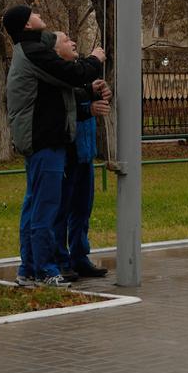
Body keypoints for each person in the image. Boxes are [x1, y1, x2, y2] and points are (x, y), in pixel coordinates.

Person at [3, 5, 105, 287]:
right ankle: (45, 270)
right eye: (33, 13)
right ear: (26, 25)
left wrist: (89, 92)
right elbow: (71, 74)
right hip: (44, 141)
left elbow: (60, 92)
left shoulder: (32, 51)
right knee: (45, 207)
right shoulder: (33, 52)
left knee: (36, 205)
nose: (38, 14)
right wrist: (95, 60)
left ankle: (30, 268)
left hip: (45, 140)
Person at [54, 71, 112, 281]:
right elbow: (64, 107)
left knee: (82, 209)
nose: (74, 44)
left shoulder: (83, 74)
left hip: (86, 153)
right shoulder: (58, 73)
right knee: (61, 210)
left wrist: (104, 92)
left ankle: (79, 256)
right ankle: (60, 259)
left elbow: (92, 98)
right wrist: (89, 108)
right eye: (68, 42)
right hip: (68, 152)